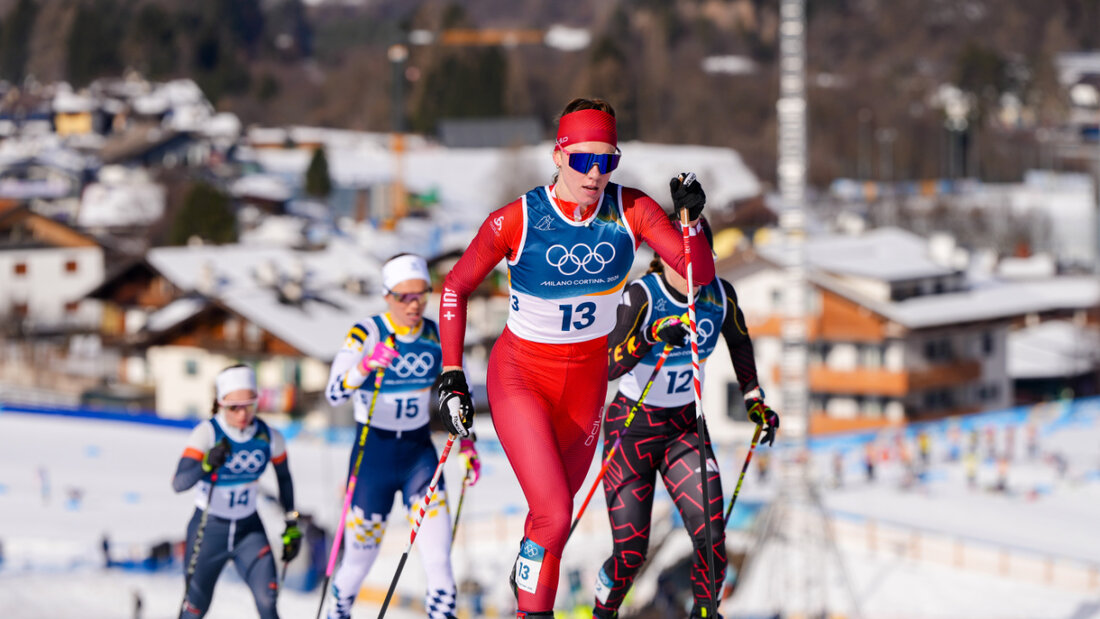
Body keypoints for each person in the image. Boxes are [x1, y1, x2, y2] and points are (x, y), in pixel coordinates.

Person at [435, 96, 717, 617]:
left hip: (586, 386)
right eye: (584, 160)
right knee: (553, 512)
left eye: (607, 160)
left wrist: (692, 224)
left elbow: (697, 275)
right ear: (558, 156)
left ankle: (526, 589)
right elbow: (455, 287)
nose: (595, 173)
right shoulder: (517, 219)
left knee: (552, 528)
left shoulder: (632, 209)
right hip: (521, 376)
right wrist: (452, 372)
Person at [591, 221, 779, 619]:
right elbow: (607, 366)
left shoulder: (719, 295)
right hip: (632, 430)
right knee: (630, 555)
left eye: (701, 263)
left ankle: (706, 614)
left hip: (684, 429)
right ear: (662, 257)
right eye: (684, 263)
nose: (694, 276)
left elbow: (740, 342)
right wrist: (651, 335)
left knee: (711, 536)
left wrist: (754, 400)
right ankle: (601, 611)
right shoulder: (643, 294)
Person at [324, 253, 480, 619]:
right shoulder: (367, 332)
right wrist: (364, 366)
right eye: (403, 297)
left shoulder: (437, 334)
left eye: (421, 295)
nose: (414, 304)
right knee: (357, 565)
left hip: (418, 459)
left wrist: (468, 443)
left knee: (440, 562)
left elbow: (464, 391)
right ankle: (336, 613)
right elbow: (334, 393)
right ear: (387, 296)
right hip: (371, 459)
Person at [172, 365, 300, 619]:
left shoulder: (268, 437)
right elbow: (179, 483)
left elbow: (284, 478)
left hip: (248, 531)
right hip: (209, 530)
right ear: (220, 404)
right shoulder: (207, 433)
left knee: (268, 602)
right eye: (234, 408)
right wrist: (206, 463)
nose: (242, 414)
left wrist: (292, 524)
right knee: (195, 608)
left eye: (249, 406)